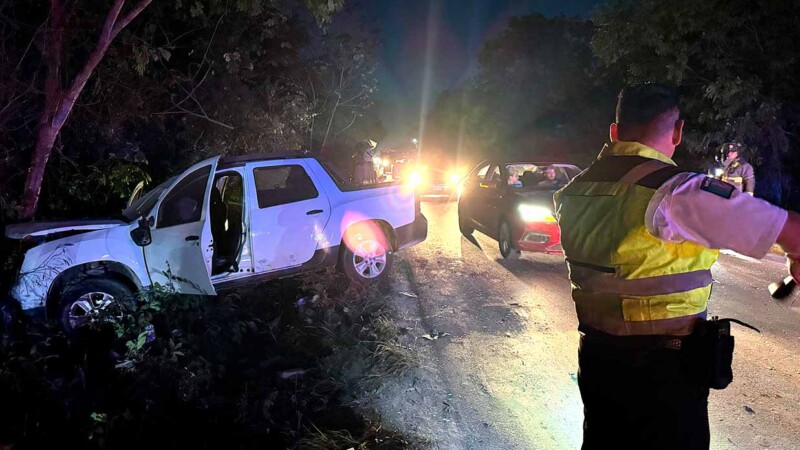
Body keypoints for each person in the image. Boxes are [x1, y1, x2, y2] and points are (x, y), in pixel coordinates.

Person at [553, 83, 800, 450]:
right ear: (678, 132)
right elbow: (791, 231)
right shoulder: (677, 192)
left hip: (596, 360)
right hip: (663, 373)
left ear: (614, 132)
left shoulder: (573, 192)